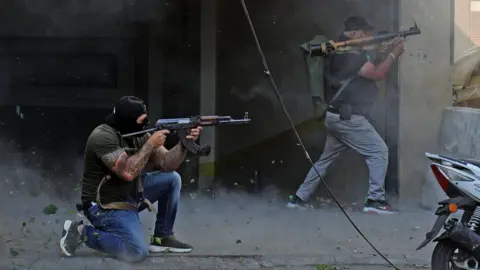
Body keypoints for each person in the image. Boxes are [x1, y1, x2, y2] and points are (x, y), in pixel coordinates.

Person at [59, 96, 203, 262]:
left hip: (130, 195)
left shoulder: (137, 133)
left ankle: (162, 237)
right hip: (105, 206)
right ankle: (80, 232)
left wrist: (184, 142)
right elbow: (127, 172)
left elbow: (167, 163)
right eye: (141, 120)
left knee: (172, 179)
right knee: (136, 252)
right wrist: (149, 145)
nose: (146, 123)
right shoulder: (102, 137)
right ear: (128, 121)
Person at [287, 16, 405, 214]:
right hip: (348, 119)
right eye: (366, 33)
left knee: (325, 160)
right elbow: (376, 74)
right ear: (355, 33)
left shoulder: (343, 52)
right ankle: (375, 200)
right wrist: (394, 54)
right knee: (379, 152)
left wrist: (382, 49)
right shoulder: (349, 55)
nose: (368, 37)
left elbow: (366, 63)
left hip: (337, 117)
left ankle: (299, 198)